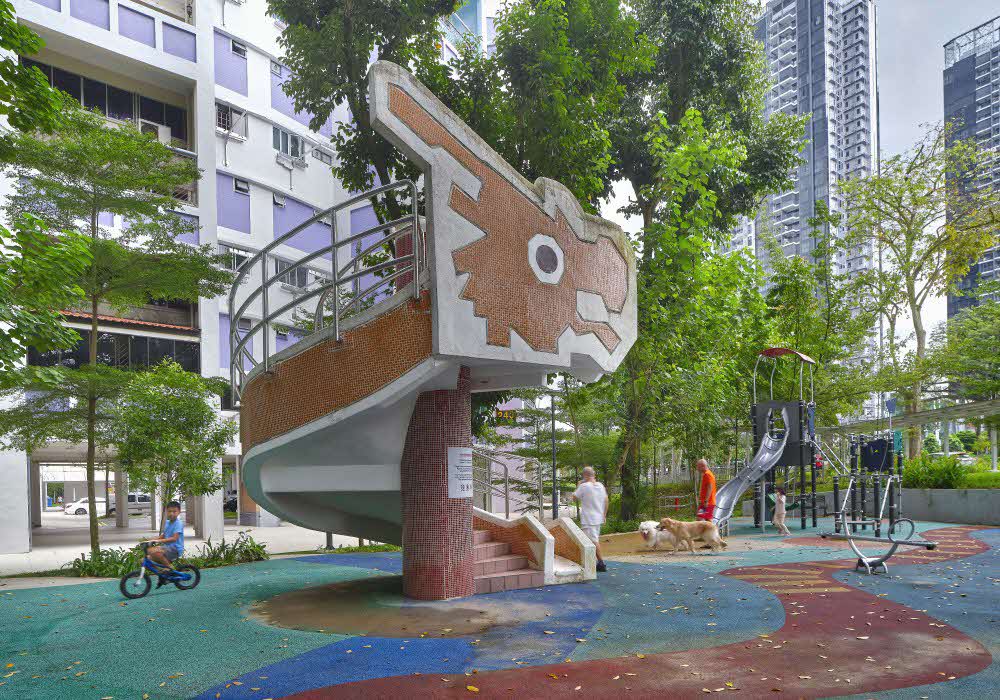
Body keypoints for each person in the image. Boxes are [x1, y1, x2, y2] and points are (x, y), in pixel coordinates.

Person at [573, 466, 608, 572]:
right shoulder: (600, 486)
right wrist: (604, 515)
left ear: (585, 475)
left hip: (589, 519)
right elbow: (606, 500)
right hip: (598, 517)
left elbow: (574, 498)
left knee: (593, 541)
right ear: (594, 475)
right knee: (592, 539)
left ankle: (601, 563)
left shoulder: (584, 486)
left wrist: (578, 485)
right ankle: (592, 562)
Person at [147, 501, 185, 571]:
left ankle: (170, 568)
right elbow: (164, 535)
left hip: (175, 549)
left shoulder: (178, 523)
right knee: (145, 560)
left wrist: (159, 541)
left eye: (174, 511)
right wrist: (152, 540)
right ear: (166, 512)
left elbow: (174, 538)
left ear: (179, 512)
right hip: (167, 548)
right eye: (169, 511)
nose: (171, 513)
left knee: (154, 551)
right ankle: (161, 572)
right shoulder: (167, 522)